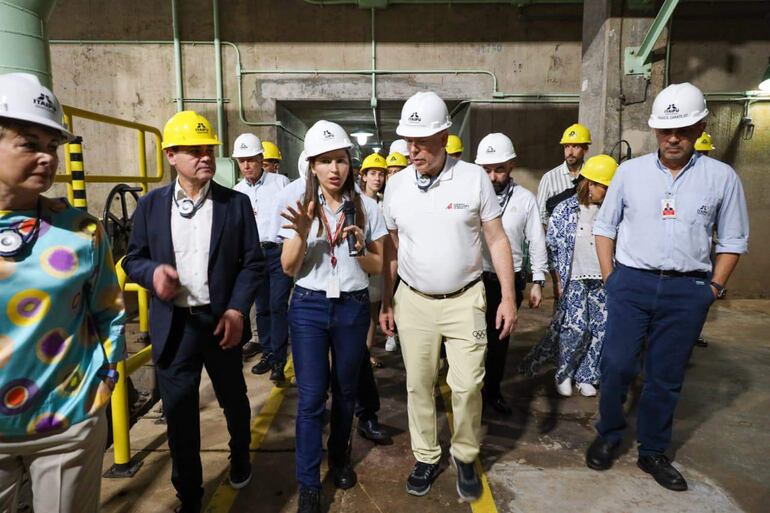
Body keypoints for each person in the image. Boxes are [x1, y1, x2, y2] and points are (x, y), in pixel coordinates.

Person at [586, 83, 749, 492]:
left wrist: (710, 289)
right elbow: (604, 227)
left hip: (687, 291)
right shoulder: (630, 173)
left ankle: (653, 450)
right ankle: (608, 434)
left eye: (683, 129)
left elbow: (732, 240)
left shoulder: (721, 179)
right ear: (655, 131)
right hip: (631, 284)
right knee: (618, 364)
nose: (673, 138)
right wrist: (612, 278)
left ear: (700, 128)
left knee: (665, 375)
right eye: (665, 130)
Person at [380, 91, 517, 502]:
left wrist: (507, 297)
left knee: (468, 386)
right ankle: (425, 456)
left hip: (465, 300)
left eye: (422, 141)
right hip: (414, 301)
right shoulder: (396, 185)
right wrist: (387, 302)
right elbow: (391, 248)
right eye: (408, 140)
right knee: (419, 385)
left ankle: (464, 454)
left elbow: (496, 239)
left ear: (444, 136)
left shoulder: (473, 178)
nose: (413, 149)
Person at [123, 110, 263, 513]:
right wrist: (153, 274)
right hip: (174, 327)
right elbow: (133, 259)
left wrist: (237, 312)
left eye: (208, 150)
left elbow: (252, 263)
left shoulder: (235, 204)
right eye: (194, 151)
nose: (205, 157)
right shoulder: (151, 206)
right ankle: (190, 495)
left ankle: (240, 454)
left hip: (220, 324)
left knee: (234, 400)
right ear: (170, 155)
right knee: (181, 417)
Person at [0, 73, 126, 513]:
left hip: (66, 419)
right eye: (29, 143)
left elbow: (109, 312)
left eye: (51, 146)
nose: (46, 158)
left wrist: (103, 386)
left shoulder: (81, 232)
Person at [278, 121, 387, 513]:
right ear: (311, 166)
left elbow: (378, 265)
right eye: (324, 161)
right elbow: (289, 267)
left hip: (352, 307)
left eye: (340, 160)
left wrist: (360, 248)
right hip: (308, 305)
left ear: (349, 163)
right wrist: (303, 234)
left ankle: (339, 457)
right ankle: (308, 482)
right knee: (310, 398)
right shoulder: (295, 202)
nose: (334, 169)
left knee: (344, 392)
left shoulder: (368, 206)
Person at [521, 155, 619, 397]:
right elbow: (552, 246)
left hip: (604, 279)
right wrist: (556, 281)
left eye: (608, 188)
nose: (605, 193)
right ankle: (564, 373)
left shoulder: (614, 212)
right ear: (589, 183)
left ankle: (587, 375)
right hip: (573, 278)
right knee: (575, 328)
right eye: (601, 187)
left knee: (601, 328)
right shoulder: (565, 209)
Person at [474, 133, 547, 414]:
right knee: (472, 340)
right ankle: (469, 392)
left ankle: (492, 391)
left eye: (499, 169)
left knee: (499, 341)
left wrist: (537, 281)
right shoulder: (471, 196)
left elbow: (536, 240)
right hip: (475, 279)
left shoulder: (525, 199)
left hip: (509, 281)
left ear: (511, 166)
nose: (493, 177)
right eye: (487, 170)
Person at [232, 133, 292, 381]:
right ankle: (268, 352)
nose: (246, 165)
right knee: (263, 308)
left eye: (251, 160)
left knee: (278, 305)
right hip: (254, 256)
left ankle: (279, 357)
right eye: (241, 161)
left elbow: (291, 216)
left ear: (260, 158)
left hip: (277, 252)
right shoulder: (237, 192)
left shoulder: (280, 183)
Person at [354, 152, 392, 445]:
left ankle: (364, 355)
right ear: (363, 176)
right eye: (373, 173)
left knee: (373, 311)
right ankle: (362, 356)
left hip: (377, 268)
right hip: (356, 271)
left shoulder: (385, 203)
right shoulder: (354, 203)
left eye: (382, 173)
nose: (378, 177)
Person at [537, 123, 591, 304]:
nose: (570, 151)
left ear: (585, 148)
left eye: (575, 146)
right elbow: (541, 218)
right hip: (559, 251)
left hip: (586, 249)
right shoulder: (549, 178)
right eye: (567, 146)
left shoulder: (592, 178)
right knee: (561, 298)